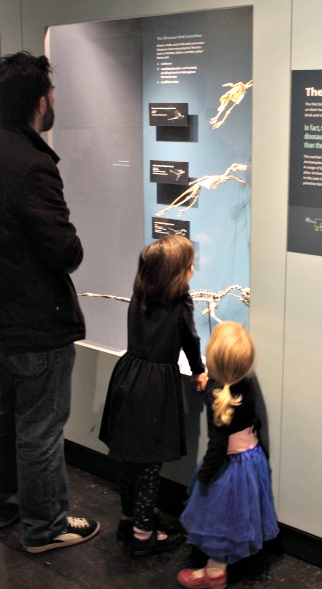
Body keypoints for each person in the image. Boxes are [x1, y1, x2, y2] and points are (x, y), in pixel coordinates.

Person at [0, 51, 100, 553]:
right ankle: (45, 528)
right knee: (39, 430)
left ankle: (7, 505)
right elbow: (64, 249)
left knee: (7, 420)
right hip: (35, 322)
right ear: (39, 102)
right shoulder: (31, 165)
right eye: (53, 93)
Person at [99, 235, 208, 558]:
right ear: (179, 274)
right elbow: (190, 340)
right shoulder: (180, 303)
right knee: (148, 464)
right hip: (155, 387)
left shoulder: (140, 294)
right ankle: (144, 533)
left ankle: (129, 518)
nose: (192, 270)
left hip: (128, 375)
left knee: (130, 458)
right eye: (189, 265)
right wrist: (199, 370)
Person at [177, 321, 279, 589]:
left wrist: (205, 476)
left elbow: (217, 447)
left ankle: (214, 573)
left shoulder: (216, 397)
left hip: (228, 467)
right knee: (237, 516)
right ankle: (223, 564)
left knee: (219, 518)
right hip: (252, 459)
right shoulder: (247, 382)